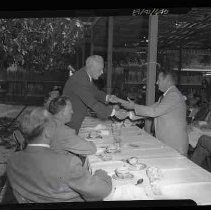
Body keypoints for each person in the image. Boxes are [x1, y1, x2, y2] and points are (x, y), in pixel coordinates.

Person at [6, 107, 112, 203]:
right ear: (47, 132)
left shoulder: (12, 160)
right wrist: (101, 173)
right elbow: (101, 191)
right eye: (53, 126)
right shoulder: (67, 163)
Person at [119, 70, 189, 156]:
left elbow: (154, 112)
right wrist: (128, 114)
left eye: (159, 80)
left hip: (175, 145)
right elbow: (150, 109)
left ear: (168, 81)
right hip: (167, 143)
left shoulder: (173, 95)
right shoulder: (164, 97)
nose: (156, 82)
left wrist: (134, 106)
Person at [62, 55, 127, 134]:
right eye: (100, 70)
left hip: (76, 117)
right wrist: (114, 113)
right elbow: (93, 103)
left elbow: (94, 91)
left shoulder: (84, 74)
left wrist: (107, 98)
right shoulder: (80, 80)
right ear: (91, 68)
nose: (102, 72)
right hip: (71, 120)